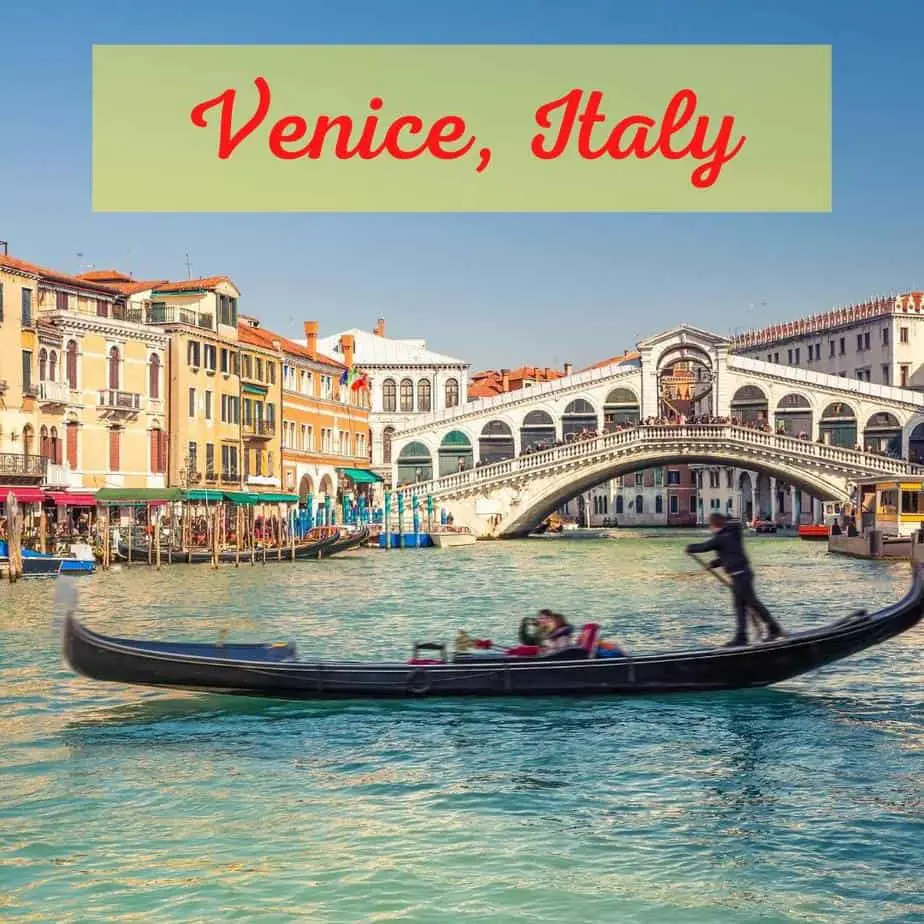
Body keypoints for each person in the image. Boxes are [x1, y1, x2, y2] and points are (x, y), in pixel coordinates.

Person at [685, 513, 784, 647]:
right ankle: (743, 637)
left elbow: (704, 546)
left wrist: (689, 548)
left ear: (713, 525)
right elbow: (728, 556)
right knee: (742, 607)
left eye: (710, 526)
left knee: (751, 604)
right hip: (741, 575)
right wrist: (713, 564)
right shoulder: (729, 537)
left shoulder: (721, 538)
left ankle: (773, 629)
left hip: (740, 575)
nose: (710, 529)